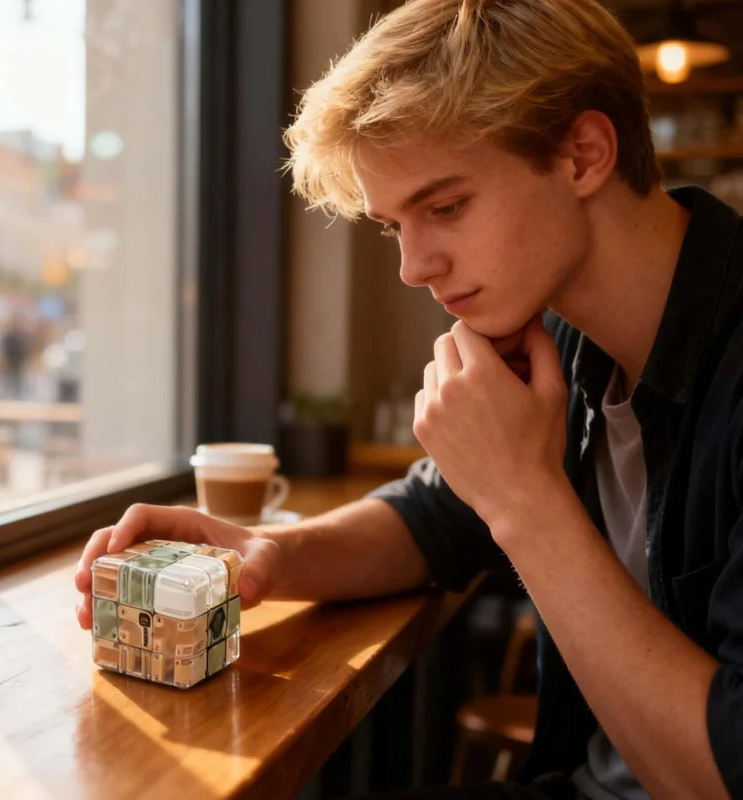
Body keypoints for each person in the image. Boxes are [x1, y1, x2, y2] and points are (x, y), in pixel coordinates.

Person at [75, 0, 743, 797]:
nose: (414, 266)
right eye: (395, 226)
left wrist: (525, 499)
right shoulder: (565, 337)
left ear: (584, 153)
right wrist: (269, 554)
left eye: (447, 206)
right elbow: (438, 516)